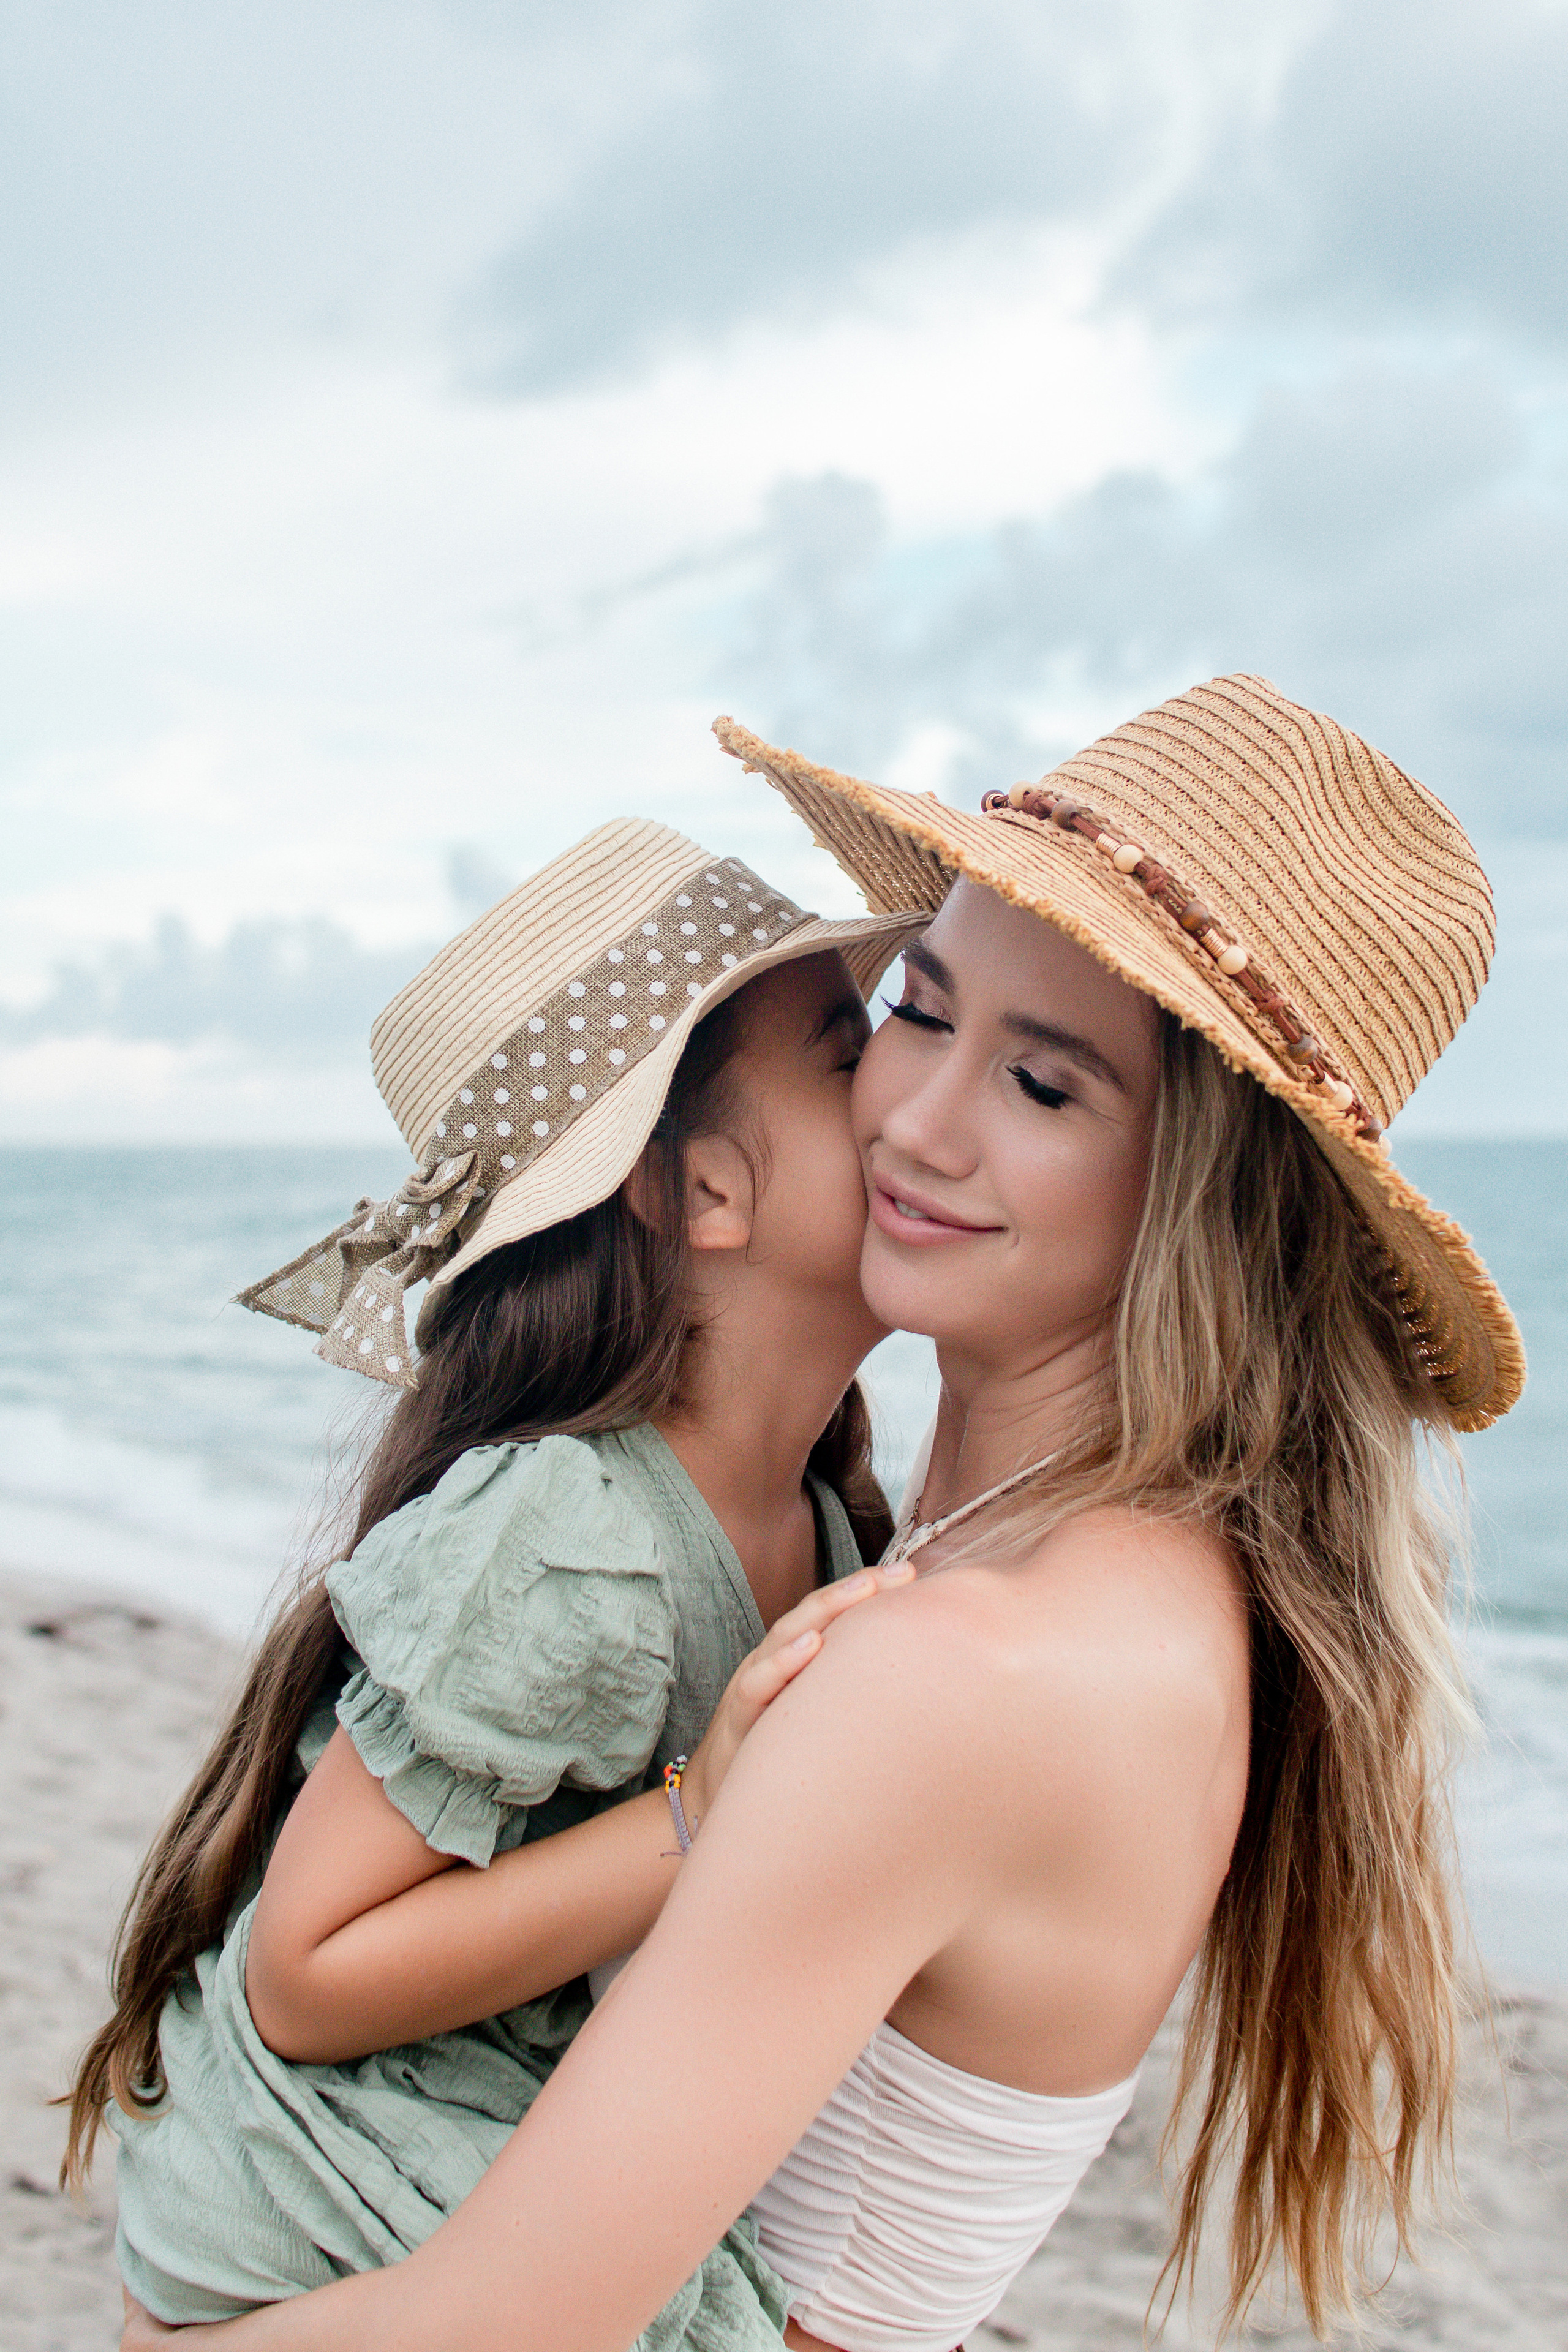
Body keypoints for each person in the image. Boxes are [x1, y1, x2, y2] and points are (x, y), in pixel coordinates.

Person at [121, 676, 1524, 2352]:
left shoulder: (961, 1665)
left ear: (1205, 1192)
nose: (913, 1121)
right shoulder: (1030, 1557)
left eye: (1050, 1088)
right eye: (915, 1015)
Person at [70, 816, 922, 2343]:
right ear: (705, 1191)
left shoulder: (816, 1509)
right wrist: (699, 1817)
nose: (909, 1092)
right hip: (319, 2177)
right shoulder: (568, 1536)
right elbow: (304, 1977)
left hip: (478, 2108)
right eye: (845, 1051)